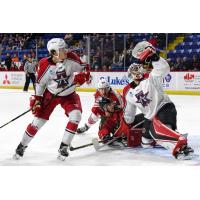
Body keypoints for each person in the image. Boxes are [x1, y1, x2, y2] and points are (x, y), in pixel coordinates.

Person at [115, 41, 194, 160]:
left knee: (155, 131)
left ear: (142, 70)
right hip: (150, 116)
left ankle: (179, 145)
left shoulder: (151, 77)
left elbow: (164, 68)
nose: (137, 74)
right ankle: (165, 136)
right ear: (129, 75)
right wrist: (122, 131)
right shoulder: (128, 92)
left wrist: (155, 57)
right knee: (145, 142)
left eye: (138, 70)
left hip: (165, 109)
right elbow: (129, 116)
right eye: (134, 72)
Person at [14, 38, 91, 161]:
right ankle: (22, 145)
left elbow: (84, 67)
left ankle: (64, 147)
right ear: (54, 52)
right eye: (62, 49)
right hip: (51, 95)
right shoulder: (44, 64)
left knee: (76, 116)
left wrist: (85, 76)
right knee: (38, 121)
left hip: (69, 95)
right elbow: (40, 83)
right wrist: (38, 99)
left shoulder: (71, 58)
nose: (66, 50)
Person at [77, 78, 144, 146]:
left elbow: (124, 106)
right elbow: (99, 120)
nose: (103, 92)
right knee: (95, 114)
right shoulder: (98, 96)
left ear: (109, 88)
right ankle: (86, 127)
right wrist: (104, 136)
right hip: (109, 114)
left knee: (128, 121)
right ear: (98, 89)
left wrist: (115, 109)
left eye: (105, 89)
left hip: (118, 111)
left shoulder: (116, 96)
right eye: (101, 89)